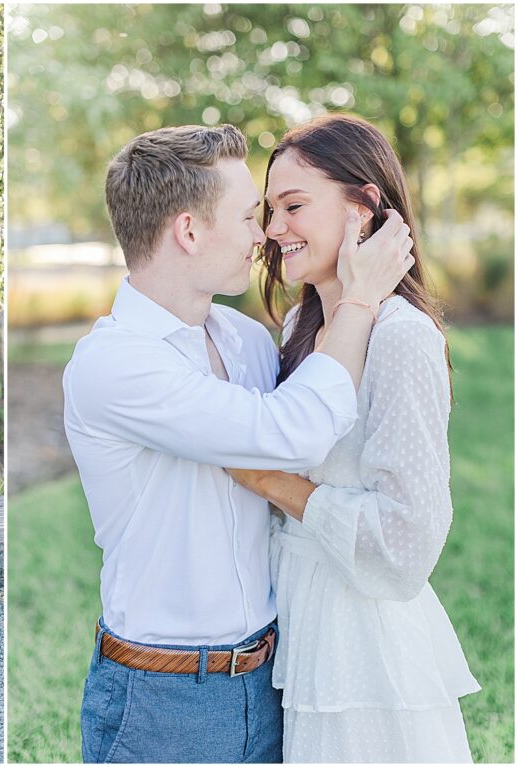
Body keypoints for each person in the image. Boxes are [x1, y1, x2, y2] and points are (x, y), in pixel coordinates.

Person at [63, 124, 414, 763]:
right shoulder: (114, 366)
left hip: (271, 677)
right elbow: (295, 429)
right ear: (190, 231)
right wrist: (361, 297)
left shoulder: (247, 341)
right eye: (251, 215)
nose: (264, 235)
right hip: (163, 696)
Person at [226, 114, 479, 762]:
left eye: (294, 205)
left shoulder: (401, 336)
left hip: (362, 652)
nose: (274, 229)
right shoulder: (295, 333)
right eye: (268, 209)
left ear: (364, 205)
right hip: (293, 632)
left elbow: (407, 539)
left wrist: (278, 486)